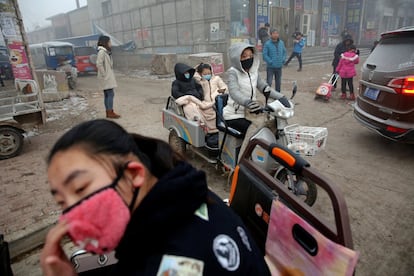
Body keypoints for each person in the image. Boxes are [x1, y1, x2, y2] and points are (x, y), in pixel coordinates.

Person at [40, 119, 271, 276]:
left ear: (133, 174)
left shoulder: (173, 263)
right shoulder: (184, 194)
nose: (71, 213)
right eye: (62, 202)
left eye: (80, 189)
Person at [223, 42, 288, 160]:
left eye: (250, 55)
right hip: (235, 115)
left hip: (252, 112)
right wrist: (246, 102)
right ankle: (243, 161)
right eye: (244, 56)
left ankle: (265, 158)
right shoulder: (233, 72)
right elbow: (234, 91)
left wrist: (281, 97)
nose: (248, 58)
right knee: (256, 131)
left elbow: (264, 87)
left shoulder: (253, 71)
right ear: (236, 58)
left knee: (273, 125)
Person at [172, 63, 218, 146]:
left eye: (188, 72)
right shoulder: (176, 83)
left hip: (198, 100)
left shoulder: (192, 80)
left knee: (209, 110)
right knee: (193, 111)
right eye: (185, 73)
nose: (187, 75)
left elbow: (199, 88)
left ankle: (213, 130)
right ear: (180, 73)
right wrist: (188, 95)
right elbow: (175, 93)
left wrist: (198, 94)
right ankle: (202, 128)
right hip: (188, 102)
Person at [96, 35, 120, 119]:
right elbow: (99, 64)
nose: (111, 43)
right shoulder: (102, 52)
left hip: (106, 77)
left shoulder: (105, 52)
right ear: (105, 42)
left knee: (107, 94)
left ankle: (109, 112)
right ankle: (110, 112)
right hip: (106, 77)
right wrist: (104, 74)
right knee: (110, 94)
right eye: (109, 42)